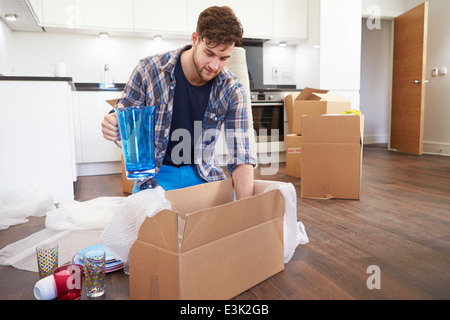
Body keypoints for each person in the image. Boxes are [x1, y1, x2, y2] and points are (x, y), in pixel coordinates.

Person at [101, 6, 256, 200]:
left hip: (203, 176)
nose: (215, 65)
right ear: (194, 39)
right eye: (209, 53)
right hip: (155, 177)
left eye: (224, 58)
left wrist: (248, 209)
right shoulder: (149, 70)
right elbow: (123, 114)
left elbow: (242, 155)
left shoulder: (232, 89)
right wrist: (114, 123)